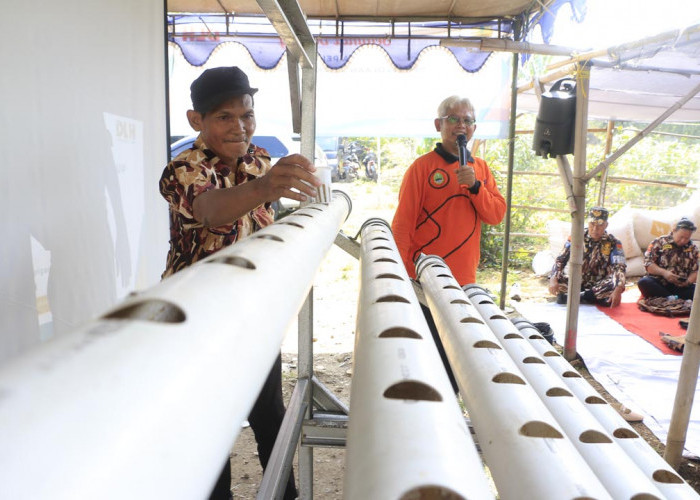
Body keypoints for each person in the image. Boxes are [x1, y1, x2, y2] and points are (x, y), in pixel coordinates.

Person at [159, 66, 317, 500]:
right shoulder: (182, 168)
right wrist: (267, 186)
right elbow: (211, 210)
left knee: (270, 417)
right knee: (211, 428)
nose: (240, 126)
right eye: (225, 117)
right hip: (198, 320)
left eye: (246, 114)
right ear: (197, 121)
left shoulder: (259, 160)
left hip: (254, 313)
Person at [391, 95, 506, 391]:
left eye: (468, 120)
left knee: (458, 356)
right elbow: (403, 225)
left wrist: (475, 186)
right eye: (454, 119)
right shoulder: (422, 168)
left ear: (475, 128)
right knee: (426, 353)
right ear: (438, 124)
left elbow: (495, 214)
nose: (461, 127)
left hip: (464, 282)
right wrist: (401, 275)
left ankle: (451, 409)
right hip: (423, 280)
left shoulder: (480, 168)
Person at [548, 207, 626, 308]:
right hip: (577, 281)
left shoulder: (613, 242)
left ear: (606, 225)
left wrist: (618, 290)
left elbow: (619, 267)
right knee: (556, 278)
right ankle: (590, 297)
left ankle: (574, 297)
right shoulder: (576, 237)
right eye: (592, 224)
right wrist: (553, 279)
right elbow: (560, 260)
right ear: (587, 223)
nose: (595, 229)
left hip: (599, 283)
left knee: (614, 283)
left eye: (600, 225)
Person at [637, 217, 698, 300]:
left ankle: (670, 298)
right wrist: (664, 273)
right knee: (644, 282)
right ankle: (673, 298)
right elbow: (648, 264)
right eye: (681, 237)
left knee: (697, 290)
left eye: (687, 238)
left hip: (680, 287)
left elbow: (695, 271)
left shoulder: (693, 248)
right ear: (674, 231)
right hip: (660, 283)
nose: (683, 240)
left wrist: (687, 282)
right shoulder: (659, 242)